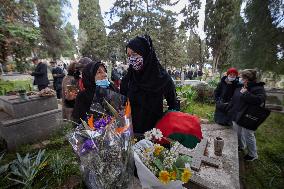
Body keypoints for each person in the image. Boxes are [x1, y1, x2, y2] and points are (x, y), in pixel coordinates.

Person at [120, 35, 179, 134]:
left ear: (145, 53)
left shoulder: (162, 78)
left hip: (156, 138)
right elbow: (122, 105)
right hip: (131, 135)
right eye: (129, 56)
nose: (131, 59)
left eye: (134, 54)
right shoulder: (128, 79)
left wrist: (167, 127)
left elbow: (173, 105)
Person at [229, 69, 266, 161]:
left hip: (249, 115)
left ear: (247, 79)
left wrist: (246, 93)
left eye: (242, 77)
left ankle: (253, 154)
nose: (240, 78)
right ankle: (241, 146)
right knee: (238, 131)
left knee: (248, 134)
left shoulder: (258, 88)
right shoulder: (243, 85)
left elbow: (259, 100)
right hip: (239, 112)